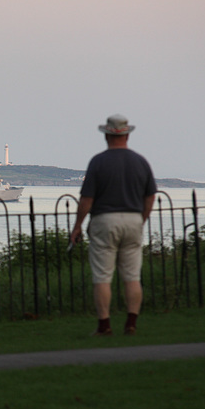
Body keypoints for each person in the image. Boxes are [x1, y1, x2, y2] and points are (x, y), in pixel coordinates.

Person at [70, 114, 156, 336]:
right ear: (127, 134)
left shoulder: (98, 162)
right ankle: (131, 324)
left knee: (102, 276)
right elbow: (150, 196)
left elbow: (87, 199)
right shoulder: (141, 161)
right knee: (132, 276)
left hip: (104, 221)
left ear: (107, 135)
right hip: (133, 219)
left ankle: (104, 326)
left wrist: (78, 226)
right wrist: (142, 219)